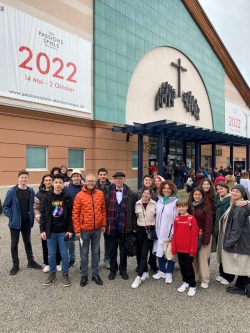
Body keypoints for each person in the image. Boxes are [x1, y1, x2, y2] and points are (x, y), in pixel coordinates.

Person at [3, 170, 42, 275]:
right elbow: (5, 206)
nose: (24, 179)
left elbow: (34, 206)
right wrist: (11, 216)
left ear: (28, 178)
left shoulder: (31, 191)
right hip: (15, 223)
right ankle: (15, 265)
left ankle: (31, 261)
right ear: (18, 178)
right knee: (14, 244)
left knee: (27, 242)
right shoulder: (12, 191)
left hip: (26, 222)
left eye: (25, 177)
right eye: (22, 177)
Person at [73, 174, 106, 287]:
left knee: (96, 252)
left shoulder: (100, 194)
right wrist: (77, 230)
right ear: (85, 182)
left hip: (97, 229)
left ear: (95, 182)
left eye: (92, 181)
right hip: (84, 230)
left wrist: (103, 224)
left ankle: (95, 274)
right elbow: (75, 214)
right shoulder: (79, 195)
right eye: (89, 181)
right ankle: (84, 274)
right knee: (84, 253)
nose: (91, 183)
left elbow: (103, 210)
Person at [40, 174, 73, 287]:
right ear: (52, 183)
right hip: (51, 231)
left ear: (63, 184)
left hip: (63, 231)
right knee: (51, 254)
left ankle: (65, 273)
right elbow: (43, 215)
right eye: (56, 182)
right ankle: (52, 273)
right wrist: (42, 230)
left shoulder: (67, 197)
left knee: (64, 254)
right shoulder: (47, 197)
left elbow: (70, 215)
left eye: (60, 182)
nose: (58, 184)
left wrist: (70, 230)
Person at [217, 184, 250, 297]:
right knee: (242, 263)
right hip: (239, 240)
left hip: (240, 241)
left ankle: (242, 285)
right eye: (233, 191)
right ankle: (241, 283)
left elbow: (237, 227)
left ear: (242, 194)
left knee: (241, 263)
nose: (234, 193)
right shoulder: (235, 204)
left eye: (237, 191)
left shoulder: (240, 208)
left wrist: (230, 241)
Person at [105, 172, 137, 281]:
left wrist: (132, 227)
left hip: (124, 226)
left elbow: (133, 212)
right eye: (117, 179)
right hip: (111, 225)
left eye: (121, 178)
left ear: (124, 179)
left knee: (123, 250)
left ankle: (123, 270)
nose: (118, 180)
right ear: (114, 180)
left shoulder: (131, 193)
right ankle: (113, 270)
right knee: (112, 250)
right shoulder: (107, 190)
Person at [34, 174, 62, 273]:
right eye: (46, 180)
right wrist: (40, 219)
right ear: (43, 182)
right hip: (45, 223)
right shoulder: (39, 194)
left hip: (56, 223)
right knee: (45, 243)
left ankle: (58, 263)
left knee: (58, 243)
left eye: (50, 180)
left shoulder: (57, 192)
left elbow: (59, 208)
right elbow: (36, 209)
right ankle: (47, 264)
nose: (48, 182)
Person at [152, 180, 178, 284]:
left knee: (169, 252)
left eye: (168, 188)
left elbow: (176, 218)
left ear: (172, 190)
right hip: (158, 230)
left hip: (169, 231)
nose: (166, 190)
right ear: (161, 189)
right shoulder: (159, 200)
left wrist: (172, 233)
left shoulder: (175, 202)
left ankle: (169, 272)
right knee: (159, 250)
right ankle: (162, 270)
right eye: (164, 188)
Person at [172, 198, 199, 296]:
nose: (181, 208)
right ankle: (185, 282)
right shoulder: (177, 219)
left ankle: (192, 285)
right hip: (179, 249)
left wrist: (192, 249)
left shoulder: (191, 218)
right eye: (179, 207)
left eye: (183, 206)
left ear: (187, 207)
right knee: (182, 267)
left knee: (188, 267)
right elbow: (175, 234)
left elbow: (194, 236)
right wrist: (173, 247)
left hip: (188, 249)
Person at [131, 187, 157, 289]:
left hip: (150, 231)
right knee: (139, 251)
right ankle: (145, 271)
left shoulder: (155, 204)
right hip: (140, 230)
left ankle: (138, 276)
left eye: (148, 193)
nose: (145, 195)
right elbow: (134, 217)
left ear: (151, 195)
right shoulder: (137, 204)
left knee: (144, 253)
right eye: (144, 193)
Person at [188, 187, 213, 289]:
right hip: (192, 236)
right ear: (192, 195)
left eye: (199, 195)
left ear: (202, 196)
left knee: (203, 259)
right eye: (195, 194)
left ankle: (205, 279)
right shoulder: (190, 206)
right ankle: (197, 276)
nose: (197, 196)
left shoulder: (206, 207)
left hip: (203, 236)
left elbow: (208, 224)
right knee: (194, 258)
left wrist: (206, 239)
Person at [63, 169, 83, 268]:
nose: (76, 178)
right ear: (71, 177)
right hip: (70, 218)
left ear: (80, 177)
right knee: (70, 240)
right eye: (74, 176)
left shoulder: (84, 187)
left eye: (78, 176)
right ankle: (72, 259)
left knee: (81, 241)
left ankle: (82, 261)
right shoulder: (66, 187)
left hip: (81, 218)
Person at [213, 182, 232, 285]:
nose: (220, 191)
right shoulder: (218, 199)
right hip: (218, 229)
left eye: (221, 189)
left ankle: (228, 276)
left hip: (226, 228)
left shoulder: (230, 199)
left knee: (227, 253)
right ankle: (222, 273)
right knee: (220, 251)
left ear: (226, 189)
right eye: (218, 189)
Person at [95, 167, 111, 269]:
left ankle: (107, 259)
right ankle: (96, 261)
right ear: (98, 175)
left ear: (107, 175)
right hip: (96, 216)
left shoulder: (111, 186)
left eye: (104, 174)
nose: (102, 176)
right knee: (96, 241)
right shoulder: (93, 186)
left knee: (107, 240)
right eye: (101, 174)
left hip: (108, 216)